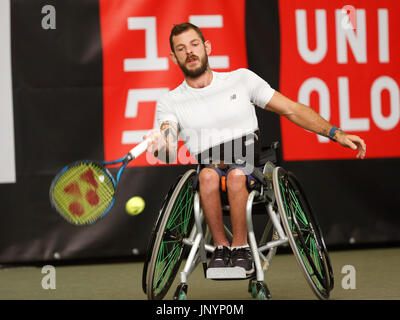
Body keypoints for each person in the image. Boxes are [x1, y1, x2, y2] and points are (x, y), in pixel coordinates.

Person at [144, 22, 366, 274]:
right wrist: (160, 145)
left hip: (249, 165)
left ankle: (241, 249)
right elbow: (168, 149)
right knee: (205, 176)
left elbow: (291, 109)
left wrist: (334, 132)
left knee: (237, 176)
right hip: (210, 170)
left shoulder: (241, 79)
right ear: (174, 57)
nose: (190, 52)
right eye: (181, 49)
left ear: (207, 47)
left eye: (195, 44)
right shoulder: (169, 101)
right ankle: (220, 248)